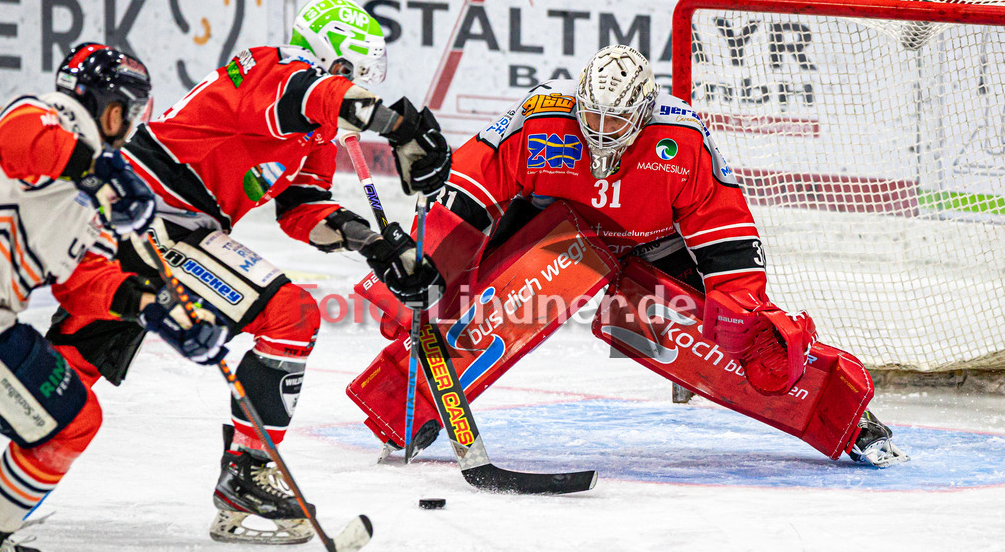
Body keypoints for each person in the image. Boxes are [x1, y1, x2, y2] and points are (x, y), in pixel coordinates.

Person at [348, 44, 907, 468]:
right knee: (472, 307)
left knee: (741, 336)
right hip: (550, 231)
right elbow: (471, 186)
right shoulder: (540, 117)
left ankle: (847, 421)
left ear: (642, 114)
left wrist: (740, 305)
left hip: (650, 243)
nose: (598, 130)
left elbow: (724, 227)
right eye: (590, 115)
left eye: (614, 121)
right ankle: (406, 410)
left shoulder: (681, 139)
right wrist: (429, 262)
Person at [46, 0, 450, 544]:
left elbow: (303, 210)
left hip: (165, 226)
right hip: (147, 212)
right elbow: (316, 95)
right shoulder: (269, 68)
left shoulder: (314, 132)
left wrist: (378, 247)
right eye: (357, 73)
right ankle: (248, 472)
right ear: (332, 59)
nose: (362, 87)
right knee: (291, 314)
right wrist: (398, 125)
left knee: (50, 389)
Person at [0, 43, 227, 552]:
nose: (130, 126)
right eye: (128, 112)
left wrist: (160, 310)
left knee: (73, 417)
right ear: (108, 107)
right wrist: (97, 172)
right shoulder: (48, 117)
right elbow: (19, 139)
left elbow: (85, 283)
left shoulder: (93, 194)